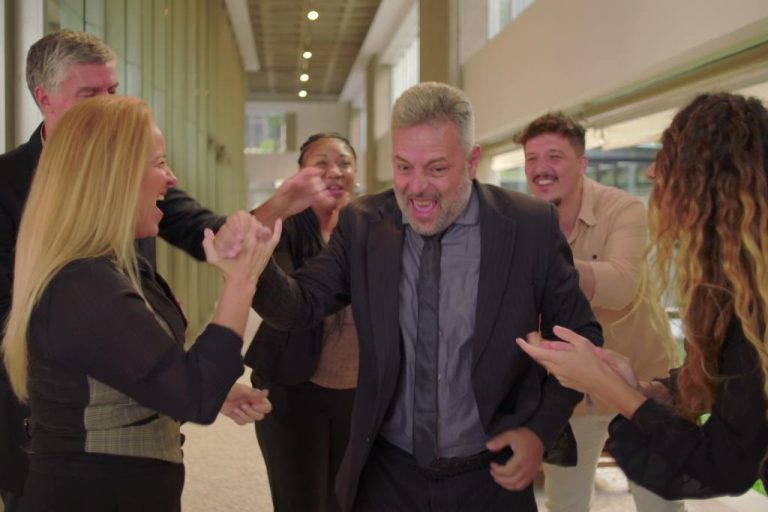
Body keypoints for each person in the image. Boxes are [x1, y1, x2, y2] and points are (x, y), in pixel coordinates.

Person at [0, 29, 324, 510]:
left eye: (112, 91)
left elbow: (206, 233)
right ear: (44, 98)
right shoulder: (78, 278)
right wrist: (233, 292)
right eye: (91, 95)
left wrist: (273, 210)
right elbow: (68, 334)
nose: (107, 105)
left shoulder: (113, 233)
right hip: (54, 437)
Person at [251, 81, 604, 512]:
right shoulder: (364, 224)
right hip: (388, 472)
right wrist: (255, 253)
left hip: (491, 475)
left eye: (436, 169)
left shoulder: (529, 227)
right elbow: (297, 306)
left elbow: (581, 335)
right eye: (404, 167)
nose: (417, 187)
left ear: (472, 161)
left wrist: (540, 430)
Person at [518, 92, 768, 499]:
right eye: (532, 158)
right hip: (594, 396)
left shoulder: (622, 209)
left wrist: (615, 386)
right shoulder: (743, 281)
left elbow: (720, 466)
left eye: (668, 159)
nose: (651, 171)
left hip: (635, 374)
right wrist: (649, 390)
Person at [516, 112, 683, 512]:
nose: (540, 169)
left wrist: (546, 268)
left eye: (553, 156)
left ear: (582, 163)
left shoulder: (623, 209)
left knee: (659, 504)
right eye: (531, 158)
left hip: (640, 382)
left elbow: (622, 284)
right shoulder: (522, 222)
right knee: (565, 504)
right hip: (569, 392)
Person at [244, 132, 359, 512]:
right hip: (292, 384)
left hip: (358, 390)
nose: (335, 171)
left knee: (349, 497)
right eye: (321, 162)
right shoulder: (285, 227)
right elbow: (285, 303)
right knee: (299, 498)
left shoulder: (374, 225)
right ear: (300, 174)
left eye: (344, 162)